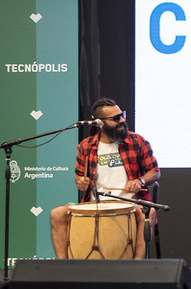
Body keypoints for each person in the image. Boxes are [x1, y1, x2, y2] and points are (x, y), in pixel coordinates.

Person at [50, 97, 161, 259]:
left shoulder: (137, 141)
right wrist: (81, 182)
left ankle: (137, 265)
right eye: (116, 118)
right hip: (95, 204)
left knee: (148, 213)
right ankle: (64, 267)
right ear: (100, 123)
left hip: (131, 203)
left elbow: (155, 172)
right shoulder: (86, 146)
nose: (122, 120)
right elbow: (79, 177)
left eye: (122, 115)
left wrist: (140, 181)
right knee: (57, 214)